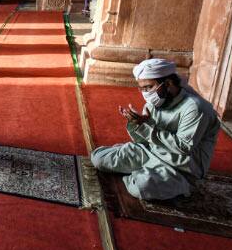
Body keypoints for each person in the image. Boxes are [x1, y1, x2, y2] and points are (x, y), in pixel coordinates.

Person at [91, 58, 221, 201]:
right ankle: (143, 172)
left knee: (142, 187)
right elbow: (142, 140)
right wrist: (136, 123)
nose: (145, 93)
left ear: (168, 83)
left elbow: (184, 147)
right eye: (142, 88)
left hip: (180, 166)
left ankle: (182, 184)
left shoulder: (195, 108)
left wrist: (146, 127)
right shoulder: (156, 101)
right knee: (98, 158)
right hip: (150, 151)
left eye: (148, 87)